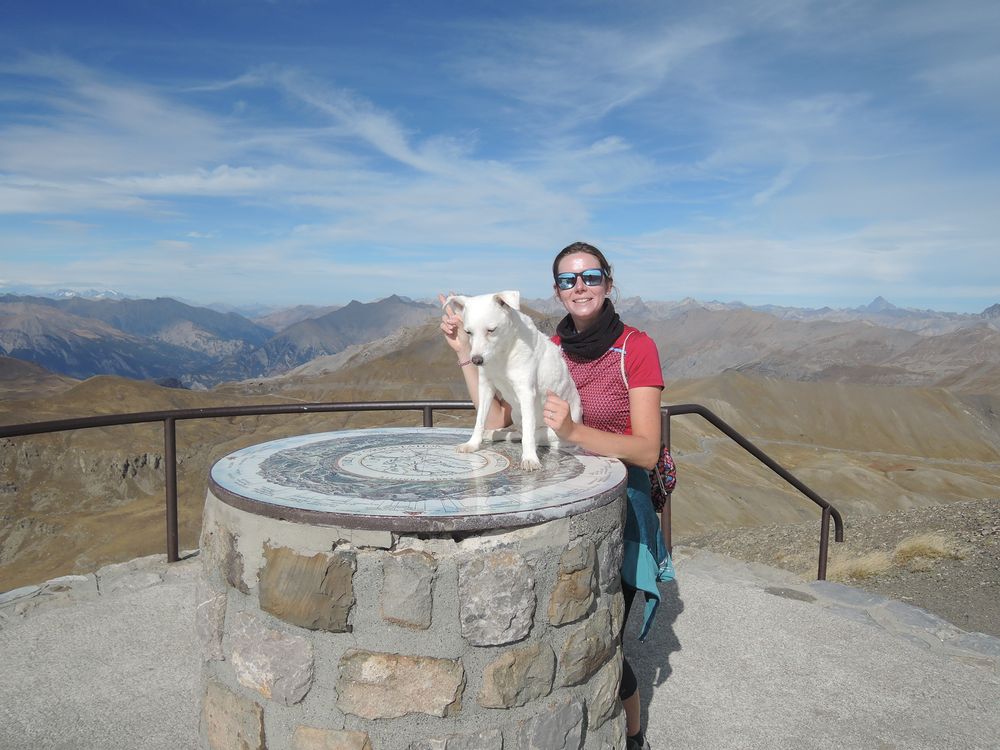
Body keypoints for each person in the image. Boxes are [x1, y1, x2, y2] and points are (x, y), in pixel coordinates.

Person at [440, 241, 670, 750]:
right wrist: (466, 351)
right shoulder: (544, 347)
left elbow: (649, 451)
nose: (579, 287)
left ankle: (632, 735)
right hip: (557, 494)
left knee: (604, 634)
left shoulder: (636, 347)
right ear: (556, 291)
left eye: (590, 277)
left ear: (609, 282)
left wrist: (572, 430)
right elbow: (501, 415)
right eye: (568, 280)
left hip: (622, 502)